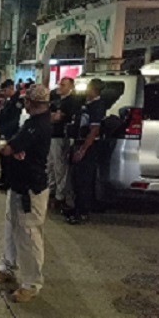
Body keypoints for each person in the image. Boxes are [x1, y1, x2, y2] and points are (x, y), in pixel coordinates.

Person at [0, 84, 52, 303]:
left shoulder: (37, 126)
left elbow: (7, 148)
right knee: (11, 227)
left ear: (31, 103)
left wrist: (7, 144)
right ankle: (7, 268)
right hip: (18, 185)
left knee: (29, 235)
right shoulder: (32, 123)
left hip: (30, 190)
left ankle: (31, 283)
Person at [65, 79, 106, 225]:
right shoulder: (86, 104)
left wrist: (82, 150)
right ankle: (76, 208)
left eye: (89, 88)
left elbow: (94, 131)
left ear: (94, 89)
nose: (86, 91)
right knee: (76, 179)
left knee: (84, 181)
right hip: (78, 142)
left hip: (88, 146)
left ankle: (82, 212)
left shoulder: (97, 106)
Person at [48, 77, 79, 210]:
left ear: (70, 87)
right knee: (50, 165)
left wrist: (53, 116)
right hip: (52, 135)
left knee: (60, 167)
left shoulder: (71, 102)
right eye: (60, 84)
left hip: (61, 137)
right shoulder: (56, 99)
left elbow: (56, 117)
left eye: (63, 85)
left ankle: (60, 196)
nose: (60, 86)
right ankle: (51, 191)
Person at [0, 79, 23, 191]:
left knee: (9, 158)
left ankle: (9, 181)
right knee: (2, 155)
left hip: (11, 134)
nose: (4, 92)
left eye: (5, 89)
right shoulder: (7, 101)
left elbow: (15, 120)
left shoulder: (18, 101)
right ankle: (3, 178)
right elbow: (3, 116)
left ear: (11, 88)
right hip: (4, 133)